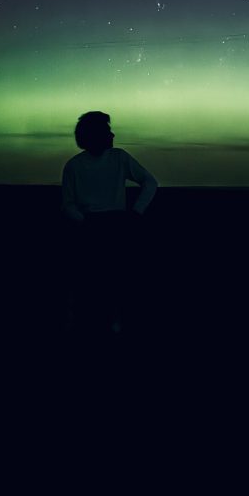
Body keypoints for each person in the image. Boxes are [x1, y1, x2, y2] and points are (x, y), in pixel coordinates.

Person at [61, 112, 157, 336]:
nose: (112, 134)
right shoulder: (112, 159)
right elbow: (150, 182)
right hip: (108, 227)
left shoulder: (77, 165)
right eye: (106, 130)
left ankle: (90, 326)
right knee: (109, 281)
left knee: (98, 283)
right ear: (95, 135)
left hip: (98, 228)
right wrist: (136, 214)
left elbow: (68, 206)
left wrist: (132, 214)